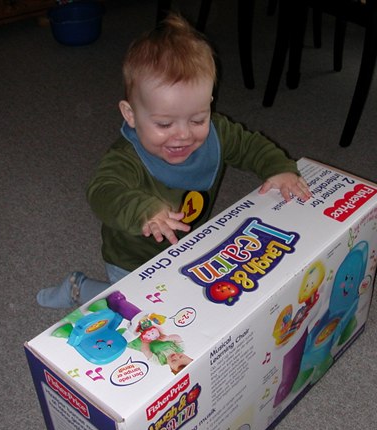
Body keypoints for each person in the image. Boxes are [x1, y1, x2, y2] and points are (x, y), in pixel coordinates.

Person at [37, 12, 311, 308]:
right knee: (135, 311)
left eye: (197, 119)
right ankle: (80, 288)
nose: (183, 135)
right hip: (132, 261)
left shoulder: (217, 133)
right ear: (131, 115)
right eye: (165, 124)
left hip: (188, 247)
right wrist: (143, 210)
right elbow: (102, 191)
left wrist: (278, 168)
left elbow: (250, 146)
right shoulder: (126, 157)